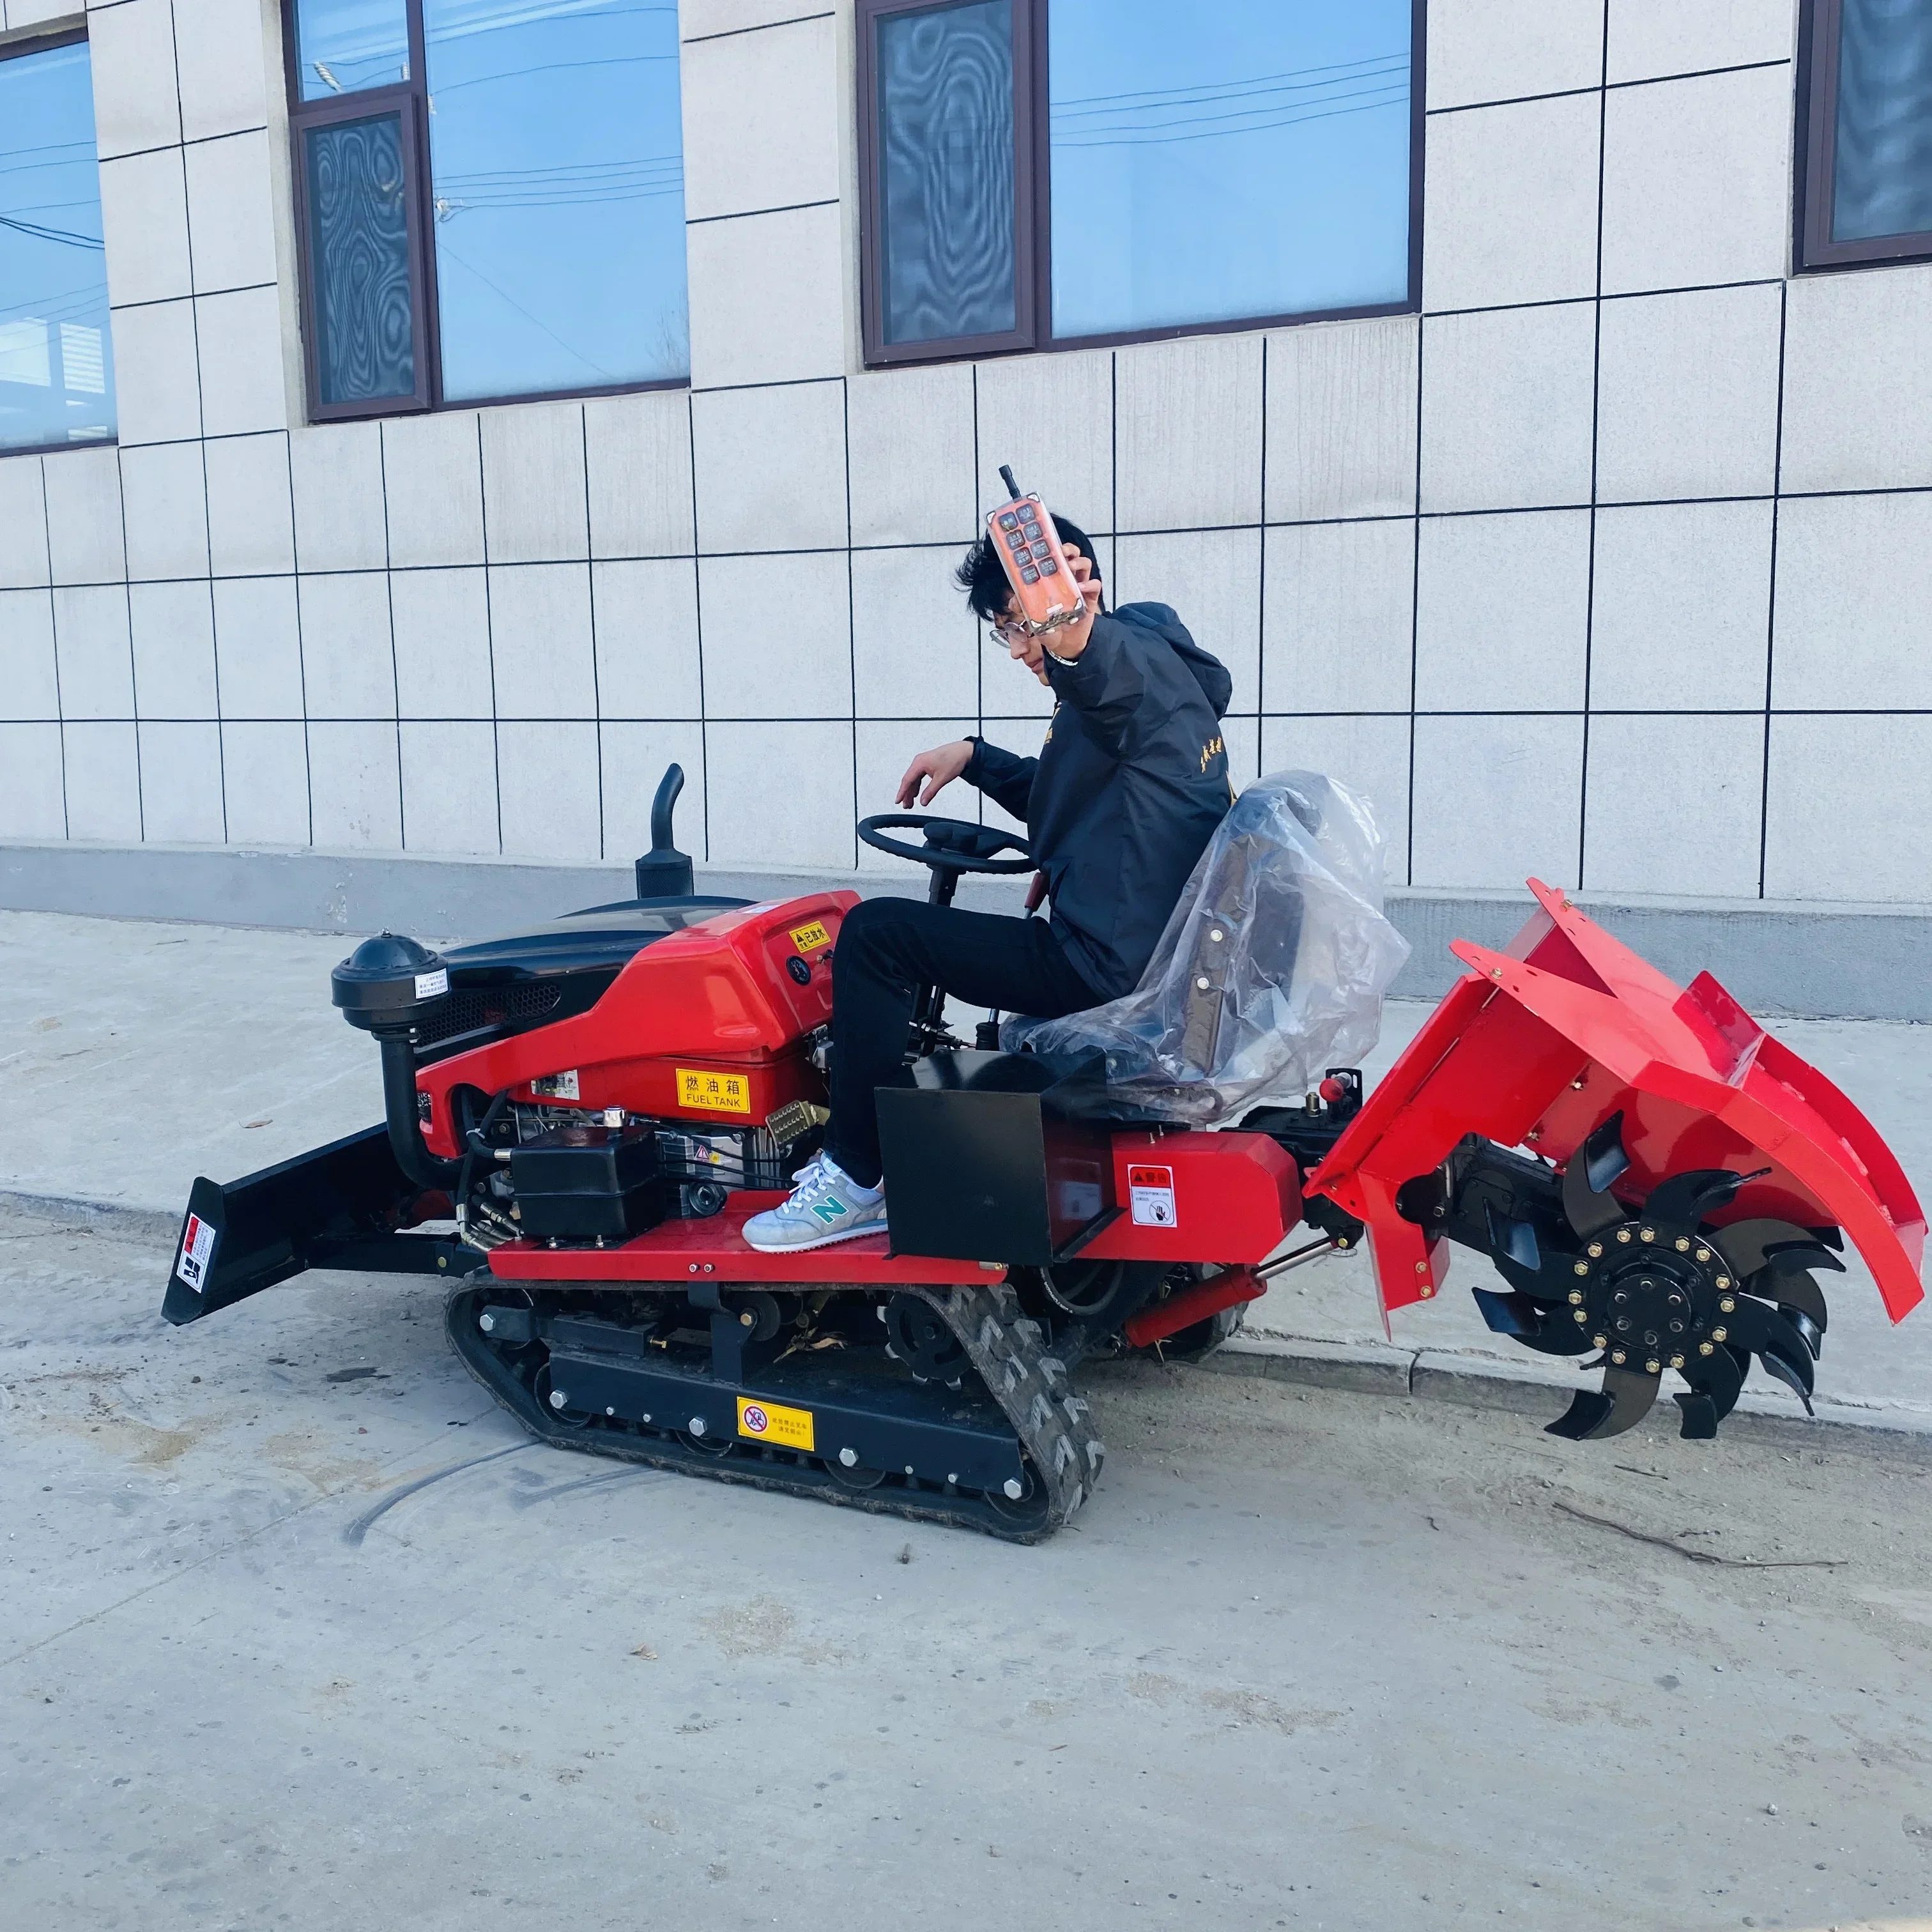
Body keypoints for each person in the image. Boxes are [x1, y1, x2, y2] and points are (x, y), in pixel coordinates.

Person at [744, 512, 1234, 1252]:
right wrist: (974, 756)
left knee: (877, 937)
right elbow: (1069, 795)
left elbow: (1101, 667)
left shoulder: (1130, 673)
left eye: (1023, 624)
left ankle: (855, 1176)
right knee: (903, 941)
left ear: (1071, 597)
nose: (1019, 649)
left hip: (1105, 968)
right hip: (1131, 947)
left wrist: (1071, 631)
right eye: (1007, 630)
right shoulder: (1154, 680)